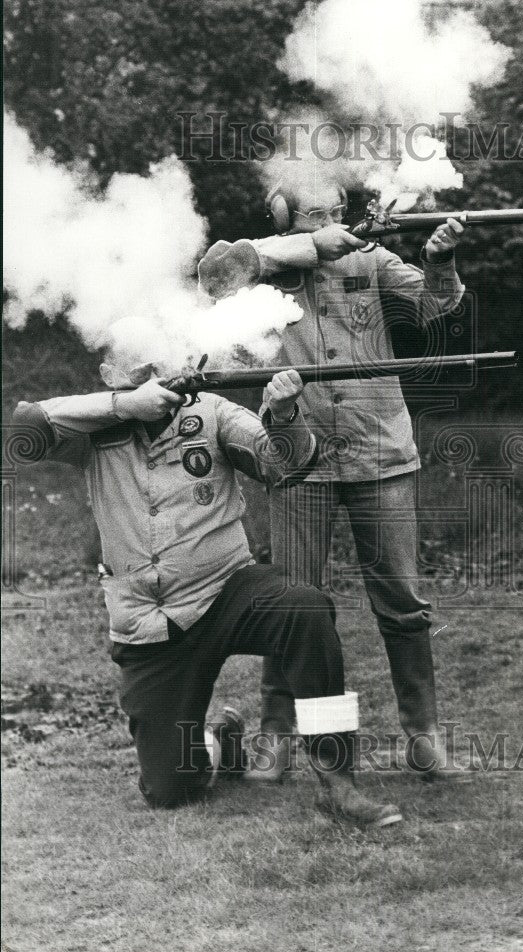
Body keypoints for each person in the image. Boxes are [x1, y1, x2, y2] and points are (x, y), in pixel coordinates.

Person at [11, 356, 402, 827]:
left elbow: (284, 467)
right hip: (149, 619)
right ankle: (223, 739)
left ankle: (339, 784)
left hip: (227, 590)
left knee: (305, 607)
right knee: (170, 790)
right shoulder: (92, 424)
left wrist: (283, 416)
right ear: (107, 372)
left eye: (151, 356)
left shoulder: (212, 411)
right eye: (129, 361)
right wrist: (125, 404)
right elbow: (24, 427)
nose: (144, 367)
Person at [198, 179, 472, 781]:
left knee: (402, 602)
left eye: (335, 213)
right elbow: (214, 271)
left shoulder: (371, 261)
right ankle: (275, 736)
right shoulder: (262, 268)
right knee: (293, 604)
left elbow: (435, 306)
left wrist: (440, 259)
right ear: (286, 221)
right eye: (315, 216)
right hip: (299, 460)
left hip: (381, 451)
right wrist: (307, 246)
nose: (332, 222)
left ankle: (423, 736)